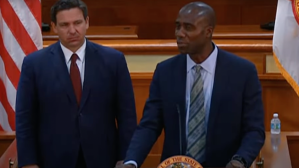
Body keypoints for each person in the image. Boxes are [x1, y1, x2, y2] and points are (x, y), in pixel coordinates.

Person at [123, 2, 265, 168]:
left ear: (208, 32)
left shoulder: (242, 72)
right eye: (177, 26)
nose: (179, 34)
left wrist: (239, 160)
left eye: (188, 28)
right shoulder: (165, 72)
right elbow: (149, 125)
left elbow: (254, 130)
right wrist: (131, 162)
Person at [15, 0, 137, 168]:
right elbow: (25, 119)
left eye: (77, 23)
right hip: (52, 159)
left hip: (103, 158)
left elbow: (127, 117)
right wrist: (29, 163)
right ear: (54, 26)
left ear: (87, 22)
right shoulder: (34, 64)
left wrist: (127, 158)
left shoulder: (113, 61)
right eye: (64, 25)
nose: (72, 30)